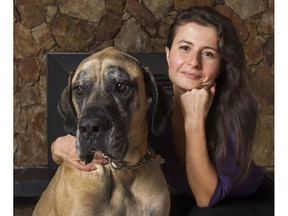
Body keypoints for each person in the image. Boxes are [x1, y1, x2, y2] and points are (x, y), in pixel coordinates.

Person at [51, 6, 274, 216]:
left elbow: (206, 198)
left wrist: (194, 119)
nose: (193, 62)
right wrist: (60, 146)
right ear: (168, 54)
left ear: (221, 65)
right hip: (193, 197)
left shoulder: (230, 114)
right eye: (185, 48)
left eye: (208, 54)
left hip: (252, 201)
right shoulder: (147, 112)